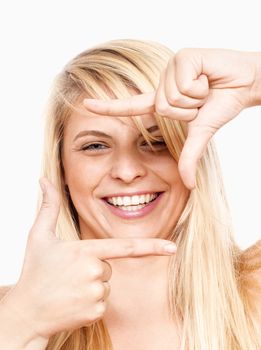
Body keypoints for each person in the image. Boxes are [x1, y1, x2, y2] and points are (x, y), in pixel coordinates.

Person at [0, 39, 260, 350]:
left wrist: (256, 77)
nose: (126, 170)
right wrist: (23, 321)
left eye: (156, 141)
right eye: (95, 146)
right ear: (62, 168)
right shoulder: (12, 314)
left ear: (193, 150)